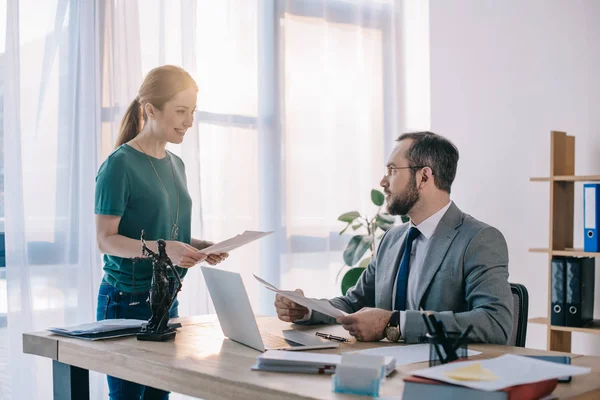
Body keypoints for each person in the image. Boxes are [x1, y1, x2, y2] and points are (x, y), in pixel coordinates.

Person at [274, 131, 514, 345]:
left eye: (392, 170)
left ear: (424, 177)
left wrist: (395, 323)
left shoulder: (479, 239)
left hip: (442, 376)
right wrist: (307, 311)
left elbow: (495, 322)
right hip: (386, 370)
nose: (382, 182)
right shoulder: (392, 239)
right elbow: (354, 303)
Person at [95, 65, 228, 400]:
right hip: (126, 301)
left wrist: (198, 246)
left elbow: (164, 231)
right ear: (151, 109)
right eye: (181, 111)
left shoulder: (176, 164)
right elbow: (105, 240)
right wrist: (166, 248)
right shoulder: (119, 165)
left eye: (192, 112)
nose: (189, 122)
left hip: (166, 300)